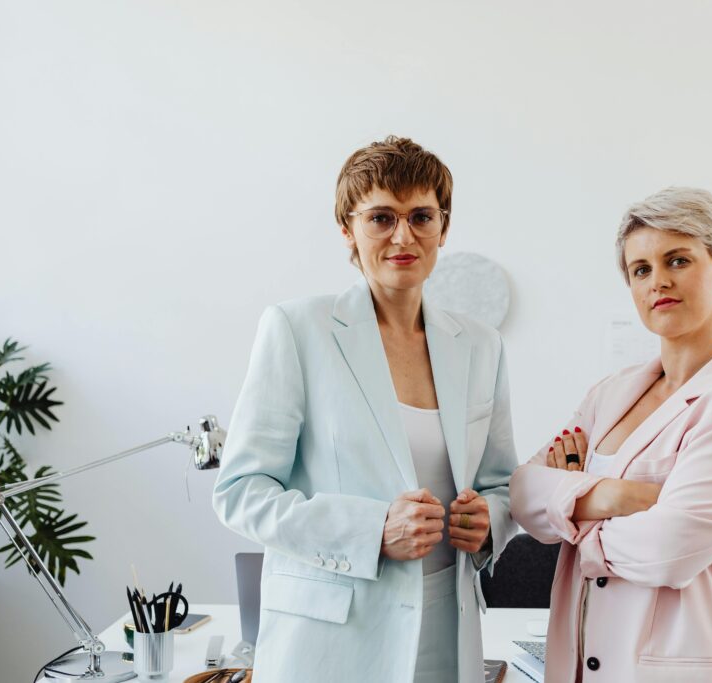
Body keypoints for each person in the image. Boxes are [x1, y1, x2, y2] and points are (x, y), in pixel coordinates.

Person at [213, 136, 518, 683]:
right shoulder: (297, 328)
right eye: (381, 217)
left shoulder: (480, 344)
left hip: (449, 634)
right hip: (332, 644)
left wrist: (490, 522)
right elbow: (241, 493)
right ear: (348, 230)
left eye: (421, 216)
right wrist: (372, 529)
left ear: (443, 228)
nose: (403, 236)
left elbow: (500, 482)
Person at [509, 186, 712, 683]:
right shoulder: (612, 393)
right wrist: (614, 497)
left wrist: (572, 522)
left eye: (677, 260)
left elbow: (669, 550)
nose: (658, 281)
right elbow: (523, 494)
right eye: (641, 270)